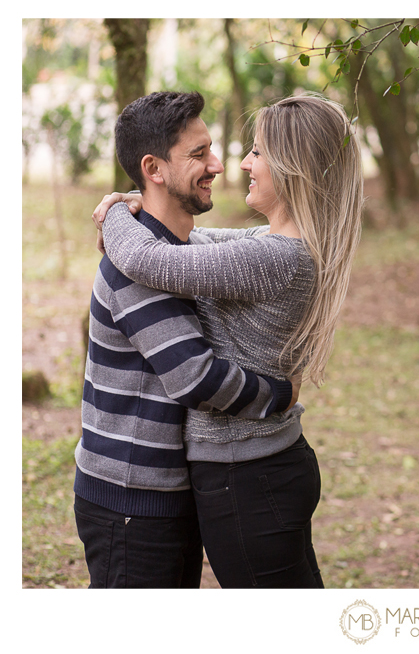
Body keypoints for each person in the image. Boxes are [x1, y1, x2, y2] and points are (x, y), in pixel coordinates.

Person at [92, 92, 364, 588]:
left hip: (248, 473)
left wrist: (114, 213)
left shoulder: (274, 259)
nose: (240, 163)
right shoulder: (269, 246)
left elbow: (155, 261)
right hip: (256, 469)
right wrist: (132, 205)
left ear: (293, 168)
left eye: (257, 152)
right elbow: (186, 244)